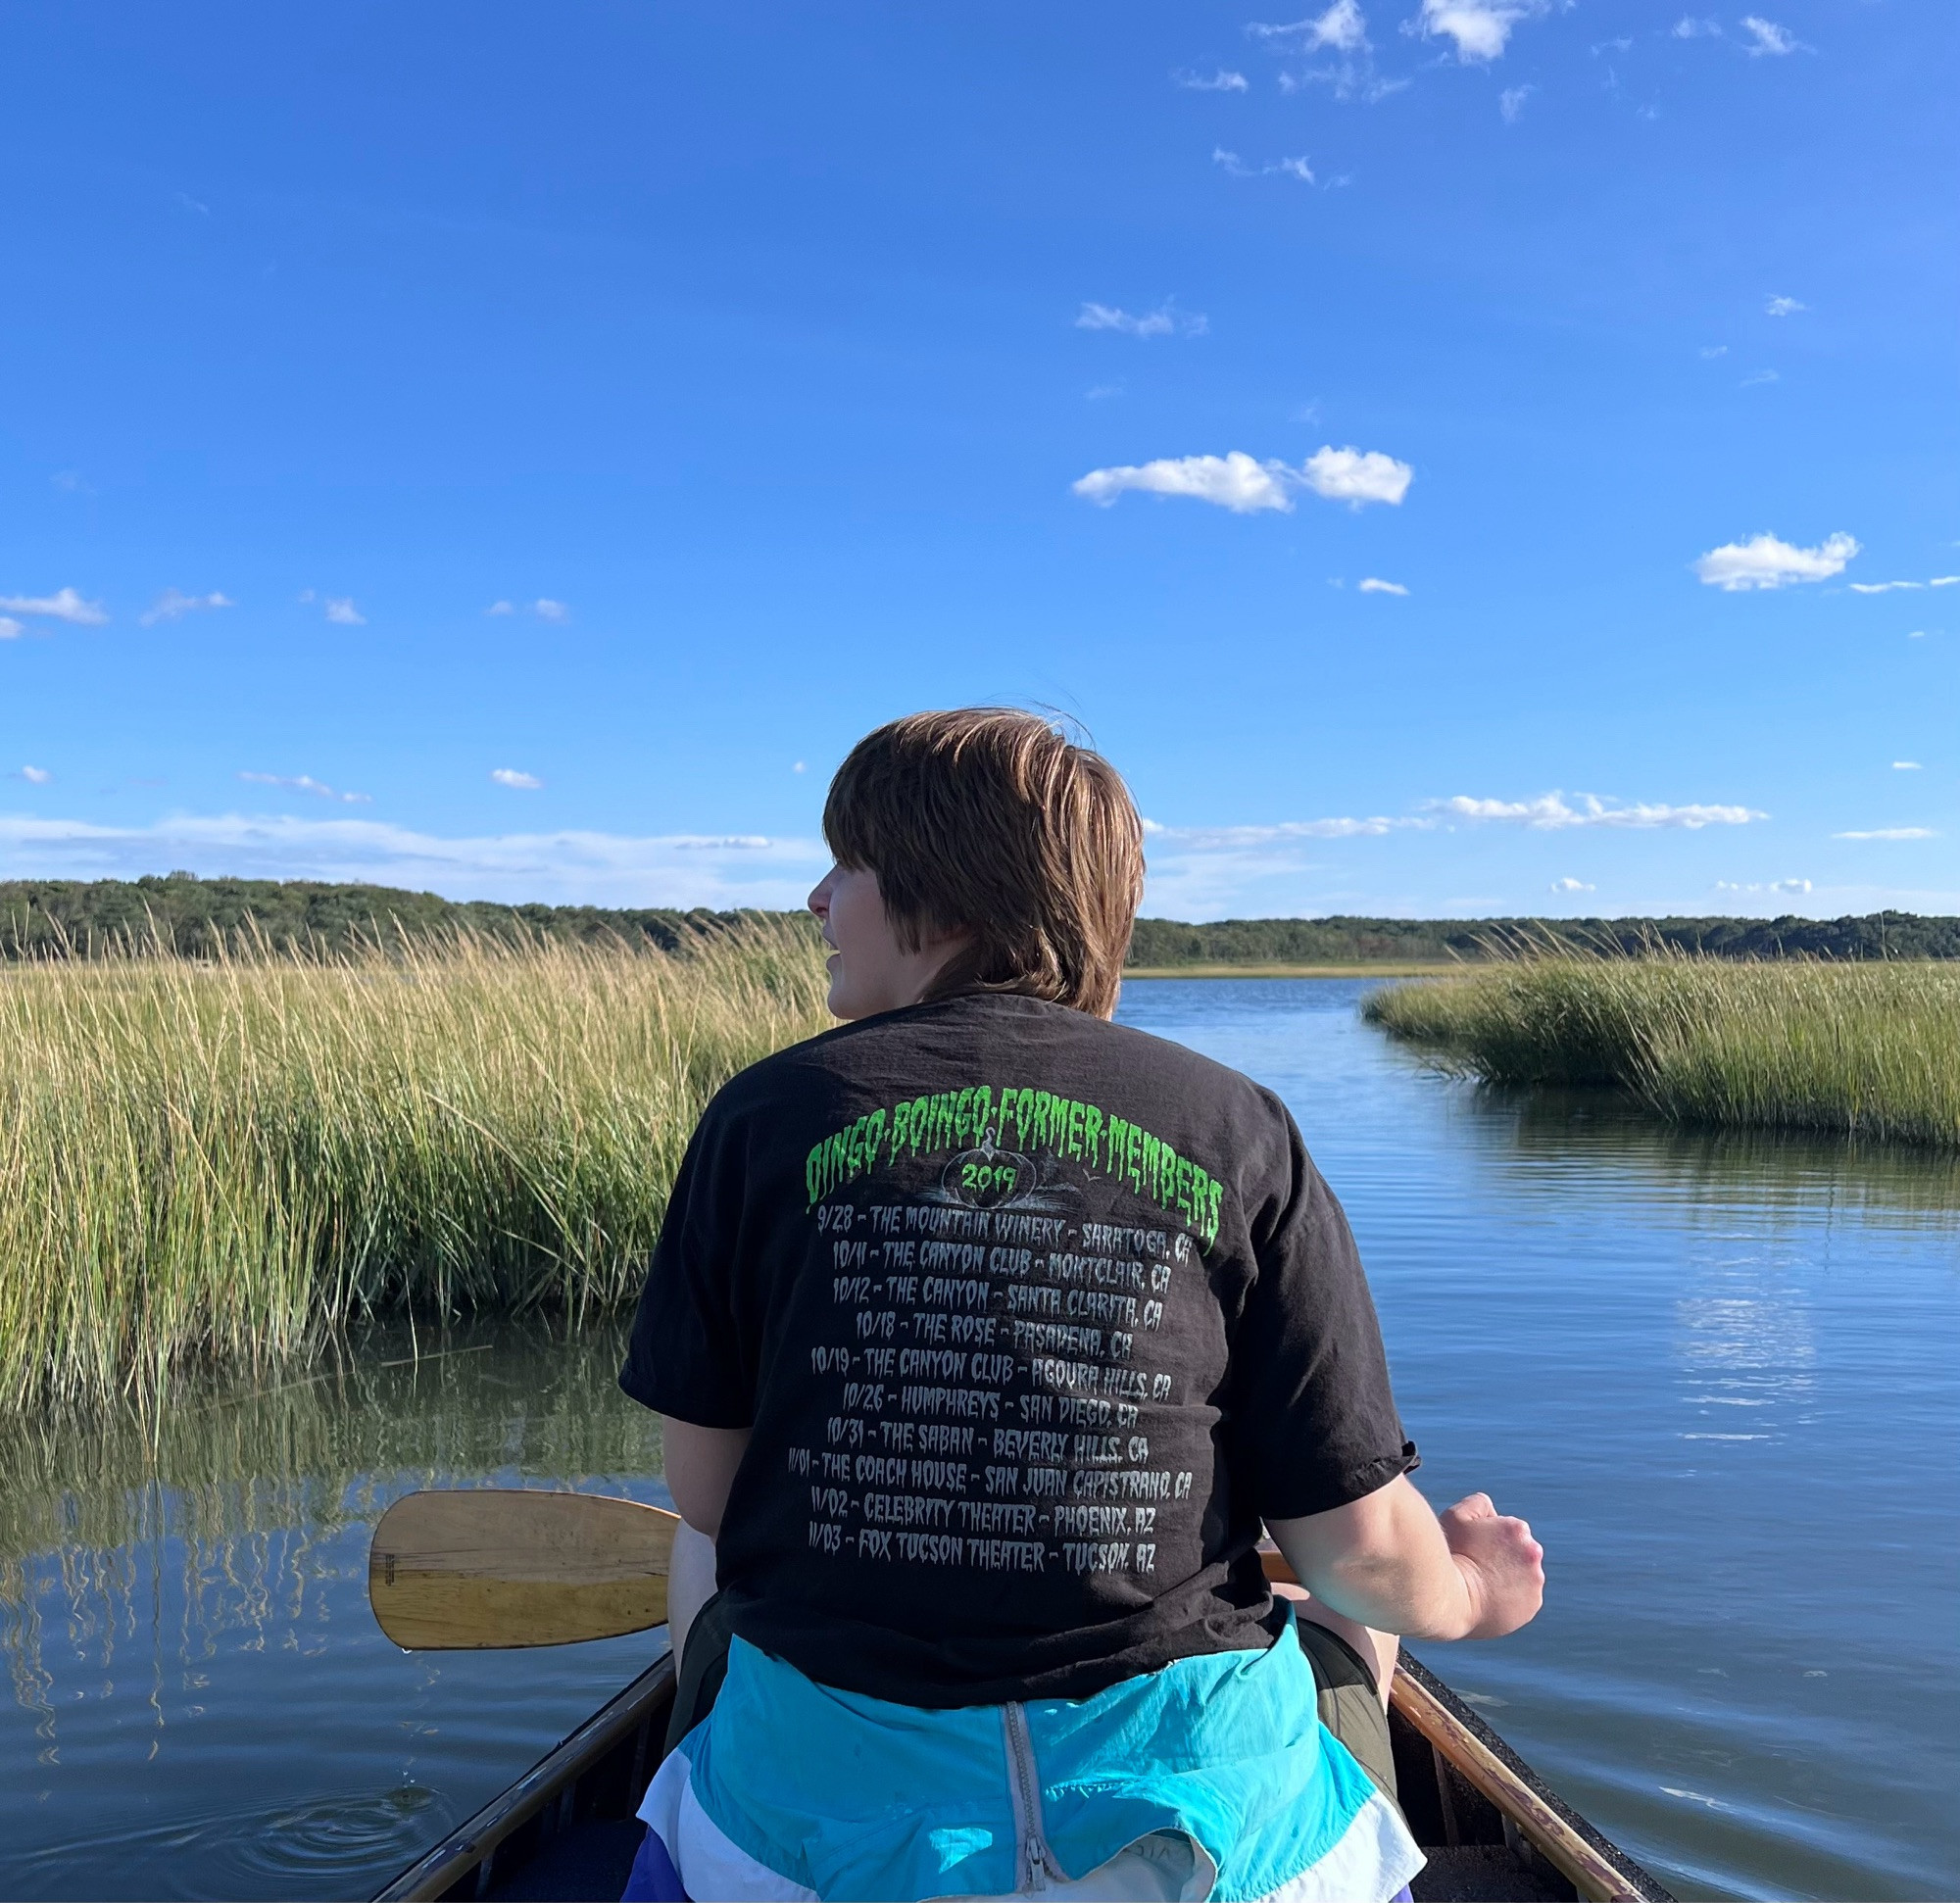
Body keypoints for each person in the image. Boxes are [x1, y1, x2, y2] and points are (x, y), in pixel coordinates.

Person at [617, 709, 1544, 1902]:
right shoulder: (1235, 1125)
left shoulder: (761, 1116)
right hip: (1192, 1844)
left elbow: (706, 1495)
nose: (814, 897)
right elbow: (1360, 1550)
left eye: (844, 863)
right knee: (1353, 1615)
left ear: (942, 900)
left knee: (706, 1547)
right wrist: (1469, 1586)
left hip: (823, 1842)